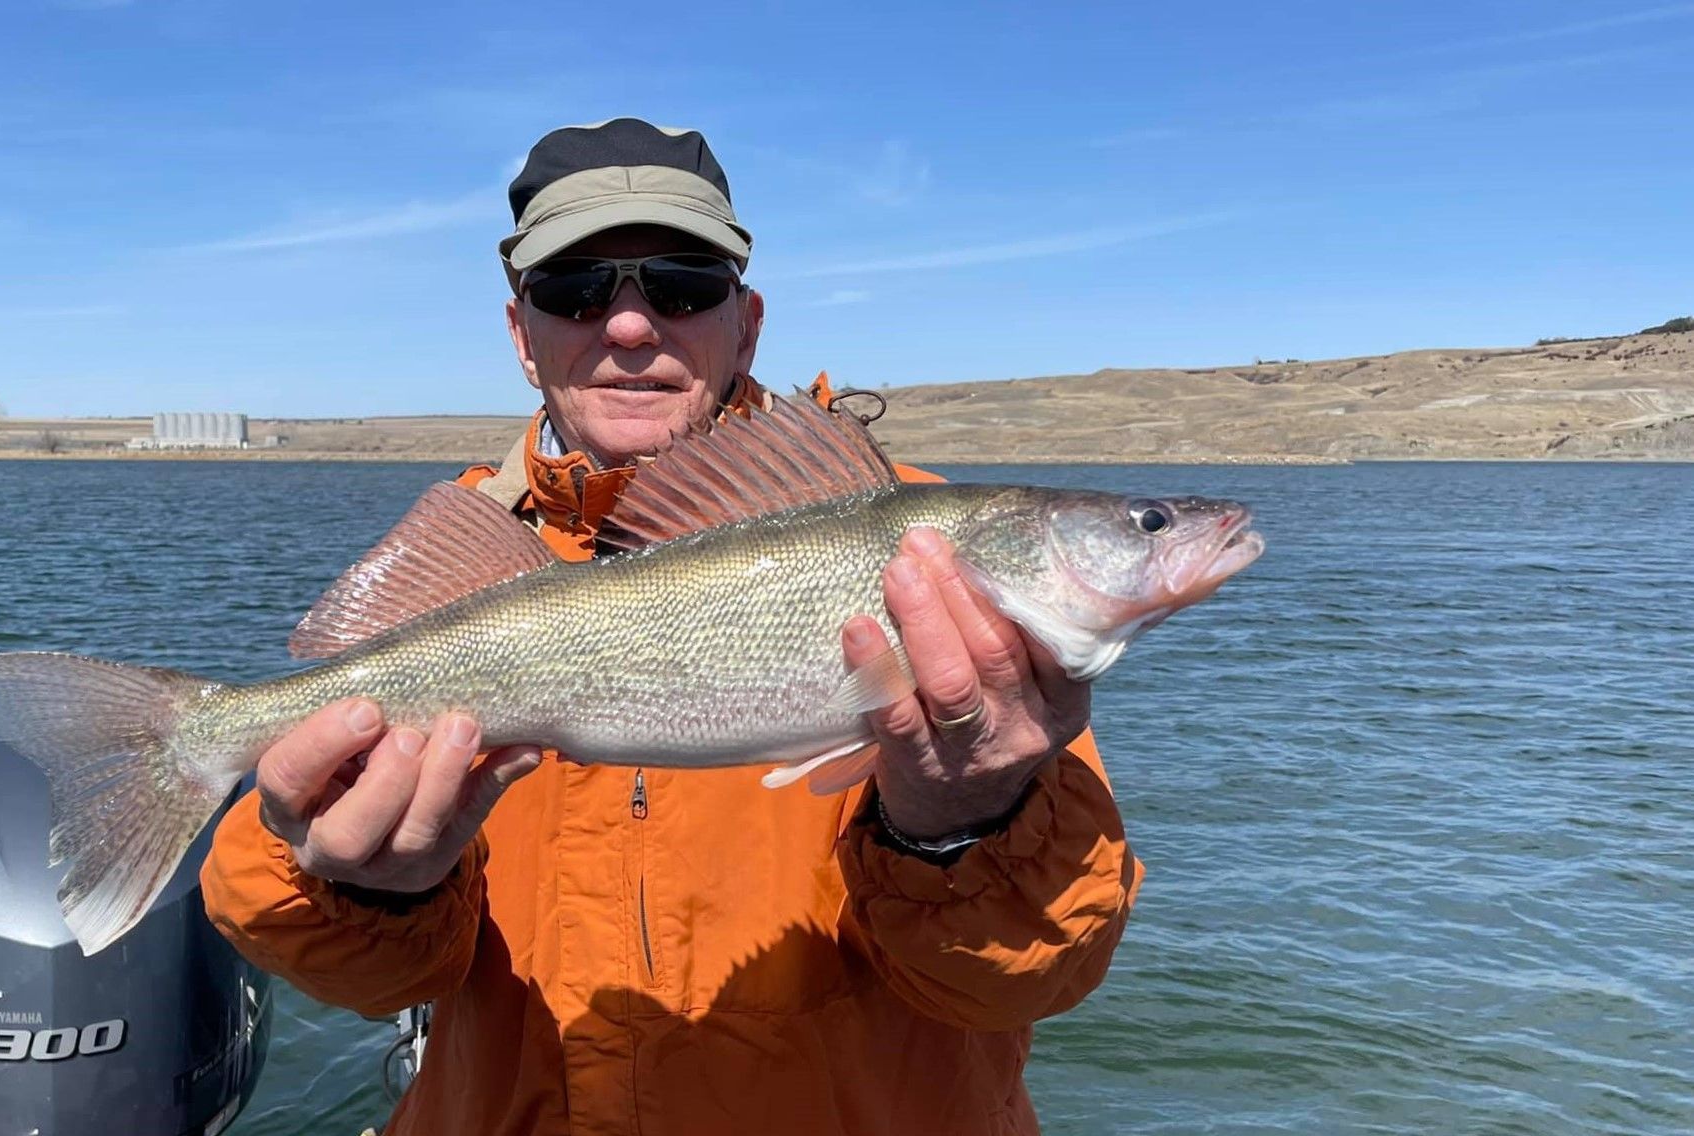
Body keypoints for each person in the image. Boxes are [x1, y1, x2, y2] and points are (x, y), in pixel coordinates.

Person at [200, 117, 1143, 1136]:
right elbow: (365, 979)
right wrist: (372, 889)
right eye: (574, 290)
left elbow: (1027, 975)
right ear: (521, 334)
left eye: (682, 286)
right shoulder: (463, 574)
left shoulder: (930, 557)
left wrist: (966, 819)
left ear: (747, 323)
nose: (629, 326)